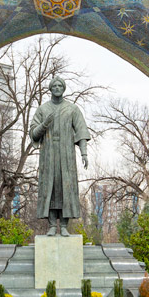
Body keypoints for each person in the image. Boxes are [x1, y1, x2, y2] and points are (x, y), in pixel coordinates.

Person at [29, 77, 90, 236]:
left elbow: (81, 131)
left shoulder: (72, 109)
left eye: (59, 85)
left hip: (66, 155)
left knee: (66, 188)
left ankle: (63, 225)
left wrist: (84, 153)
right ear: (50, 88)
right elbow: (34, 134)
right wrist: (44, 124)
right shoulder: (43, 109)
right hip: (48, 155)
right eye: (54, 85)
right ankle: (51, 225)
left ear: (63, 88)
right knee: (50, 187)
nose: (57, 87)